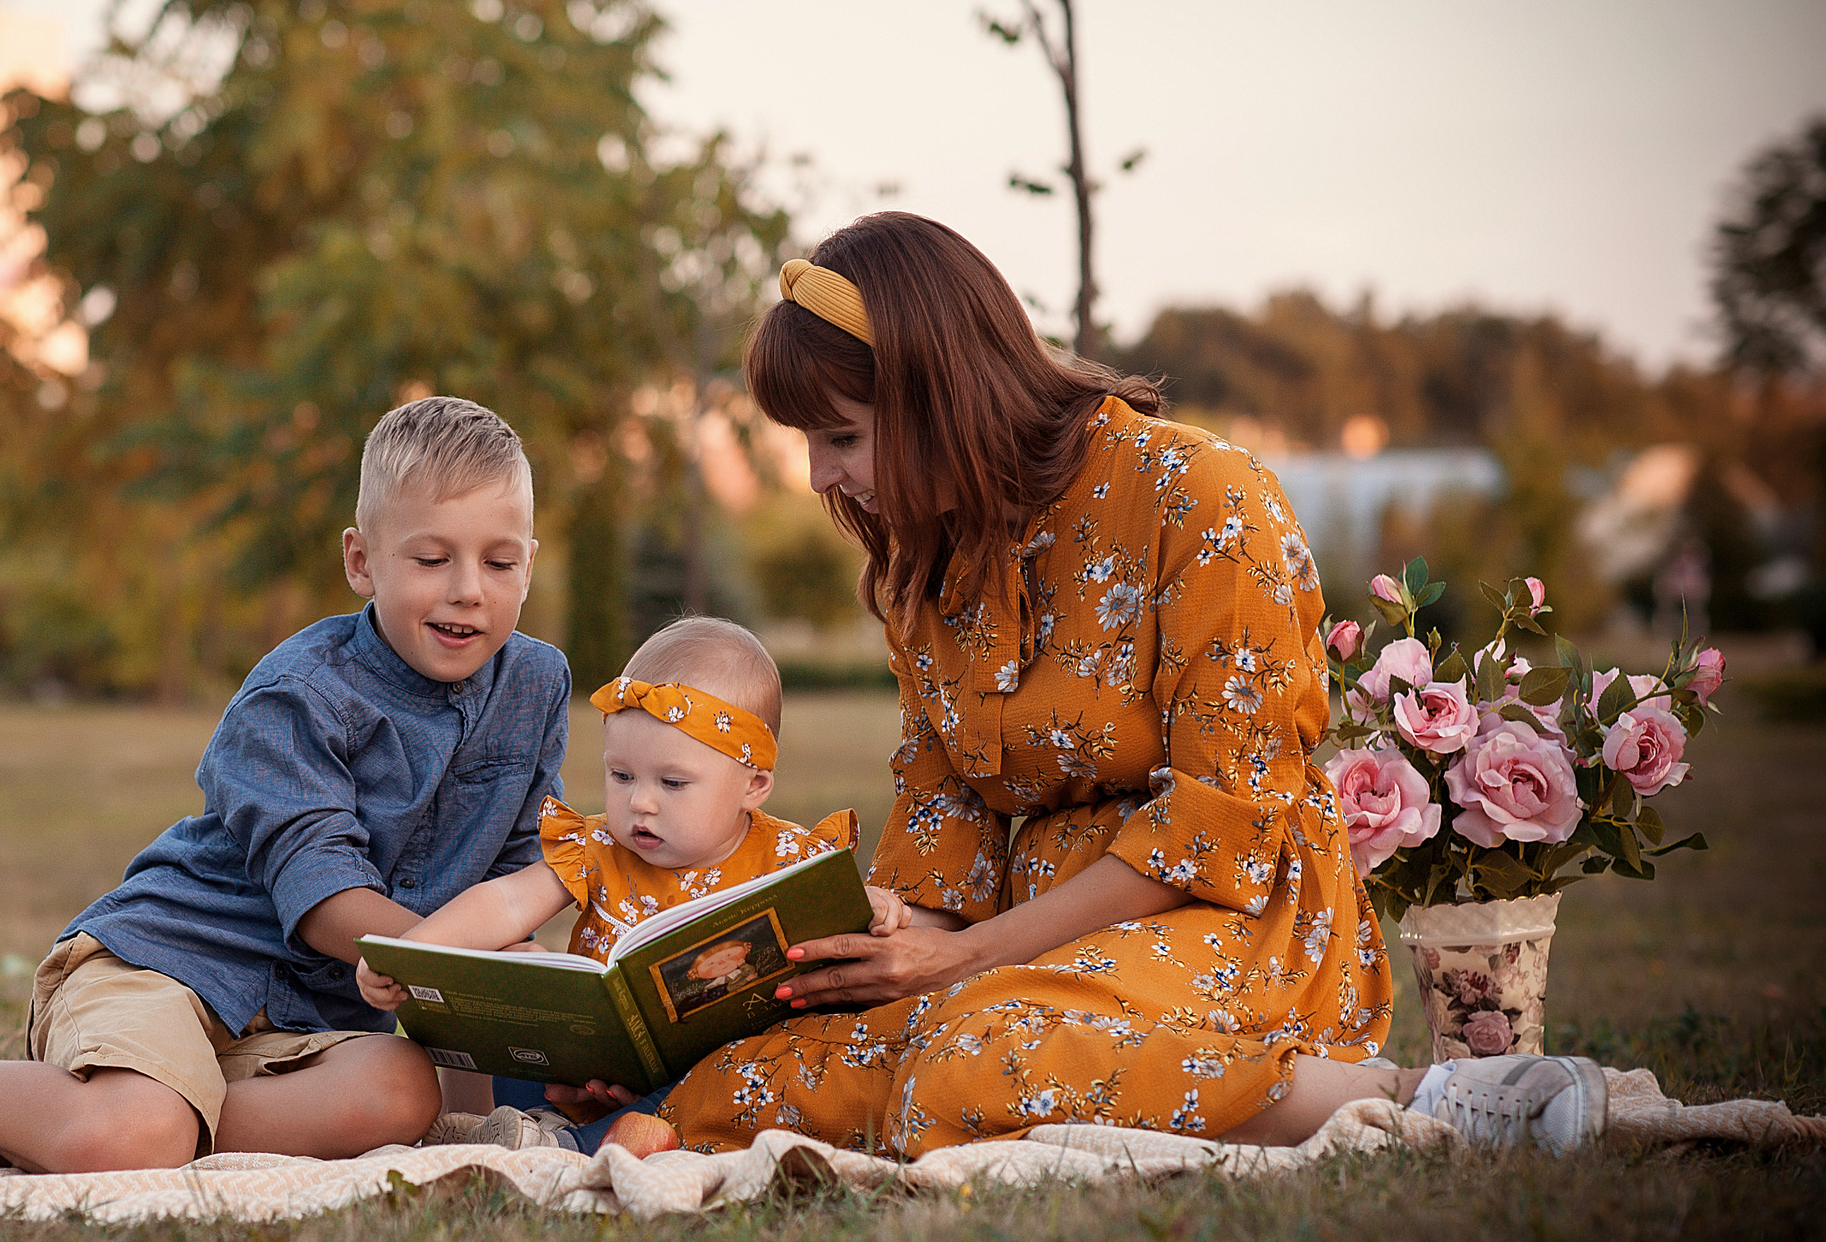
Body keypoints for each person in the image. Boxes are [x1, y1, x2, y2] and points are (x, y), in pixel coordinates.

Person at [653, 213, 1608, 1157]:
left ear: (935, 394)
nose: (821, 475)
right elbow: (944, 830)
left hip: (1227, 921)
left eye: (841, 436)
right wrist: (883, 943)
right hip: (1017, 951)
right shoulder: (931, 559)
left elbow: (1219, 824)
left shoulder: (1202, 497)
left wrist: (962, 959)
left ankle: (1419, 1096)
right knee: (746, 1076)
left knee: (974, 1054)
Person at [0, 396, 573, 1172]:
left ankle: (21, 1124)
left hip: (300, 1028)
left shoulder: (536, 686)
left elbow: (501, 905)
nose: (468, 589)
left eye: (499, 562)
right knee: (131, 1136)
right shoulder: (297, 694)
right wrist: (425, 953)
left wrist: (488, 1118)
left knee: (401, 1099)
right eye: (431, 559)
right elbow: (325, 898)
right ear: (361, 561)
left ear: (529, 564)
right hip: (170, 960)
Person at [355, 616, 880, 1153]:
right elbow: (507, 901)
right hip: (590, 1066)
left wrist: (876, 908)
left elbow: (845, 924)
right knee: (521, 1003)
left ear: (754, 785)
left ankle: (570, 1147)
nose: (640, 802)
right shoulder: (602, 847)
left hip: (705, 1070)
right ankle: (544, 1124)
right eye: (622, 775)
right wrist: (409, 950)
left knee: (749, 1069)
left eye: (672, 783)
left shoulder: (791, 859)